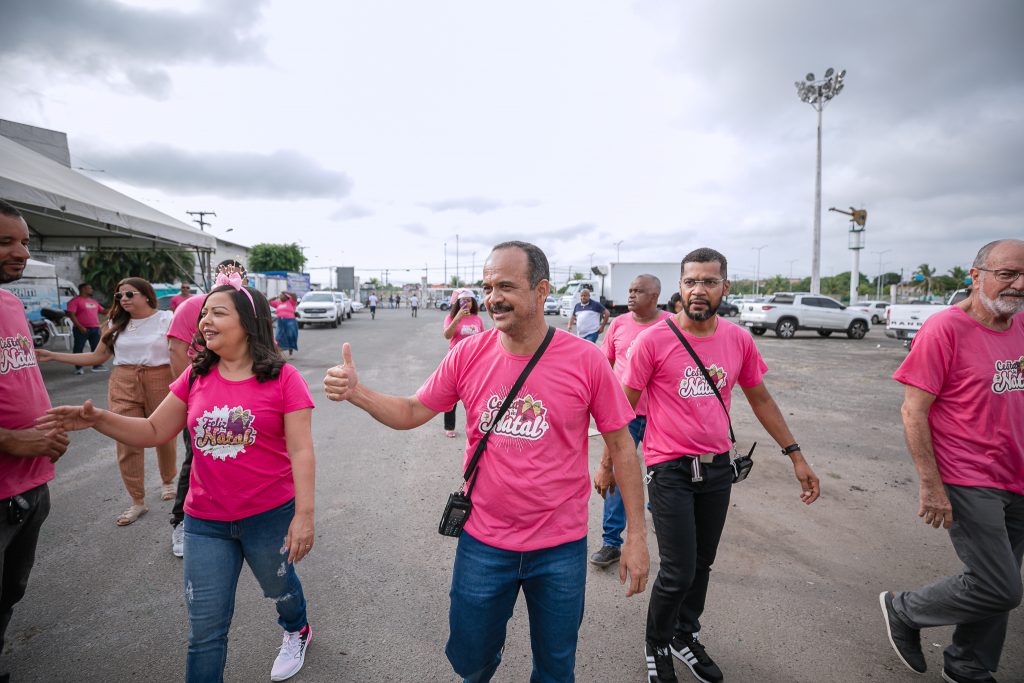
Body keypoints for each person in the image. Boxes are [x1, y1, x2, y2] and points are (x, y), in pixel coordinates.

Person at [324, 241, 650, 682]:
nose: (493, 296)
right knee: (472, 662)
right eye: (488, 285)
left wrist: (635, 536)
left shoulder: (586, 360)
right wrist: (358, 394)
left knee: (556, 668)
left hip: (559, 548)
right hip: (483, 544)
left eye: (506, 286)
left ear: (541, 291)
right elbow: (412, 411)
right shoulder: (467, 353)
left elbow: (623, 447)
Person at [40, 273, 317, 683]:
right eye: (203, 313)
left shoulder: (283, 379)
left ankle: (297, 630)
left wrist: (304, 516)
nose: (204, 320)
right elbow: (153, 430)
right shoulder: (195, 375)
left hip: (269, 517)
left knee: (281, 591)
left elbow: (301, 450)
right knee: (205, 633)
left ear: (249, 322)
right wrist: (98, 419)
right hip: (204, 522)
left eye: (217, 313)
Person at [621, 247, 820, 683]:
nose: (699, 289)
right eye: (691, 281)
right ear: (680, 286)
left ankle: (683, 633)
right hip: (668, 468)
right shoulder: (652, 341)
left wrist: (796, 455)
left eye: (709, 282)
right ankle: (657, 643)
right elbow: (625, 409)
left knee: (703, 564)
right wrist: (606, 465)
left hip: (716, 469)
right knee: (678, 569)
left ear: (724, 288)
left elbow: (760, 398)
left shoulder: (737, 339)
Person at [880, 238, 1024, 683]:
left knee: (991, 580)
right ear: (975, 274)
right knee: (1001, 585)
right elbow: (913, 410)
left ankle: (968, 666)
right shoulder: (945, 329)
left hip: (1015, 475)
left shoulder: (1019, 326)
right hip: (967, 475)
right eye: (1007, 274)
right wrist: (931, 484)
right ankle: (904, 609)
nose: (1017, 286)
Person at [36, 277, 178, 526]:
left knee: (164, 435)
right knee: (127, 440)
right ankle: (137, 501)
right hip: (123, 381)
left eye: (129, 294)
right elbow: (96, 356)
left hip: (160, 378)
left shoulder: (166, 318)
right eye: (118, 296)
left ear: (146, 295)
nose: (123, 299)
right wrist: (53, 355)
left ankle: (168, 480)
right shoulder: (114, 323)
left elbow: (180, 352)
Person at [0, 200, 70, 677]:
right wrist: (8, 439)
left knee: (9, 592)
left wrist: (48, 428)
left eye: (24, 241)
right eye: (6, 241)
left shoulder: (9, 303)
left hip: (30, 483)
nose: (21, 251)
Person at [166, 260, 246, 558]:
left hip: (238, 398)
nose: (229, 278)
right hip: (202, 400)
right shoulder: (191, 307)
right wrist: (191, 395)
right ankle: (181, 521)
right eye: (224, 273)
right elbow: (176, 350)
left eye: (235, 275)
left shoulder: (246, 307)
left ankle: (238, 521)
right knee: (196, 457)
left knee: (235, 456)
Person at [591, 275, 670, 568]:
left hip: (664, 417)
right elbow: (604, 364)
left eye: (639, 291)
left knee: (664, 477)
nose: (632, 295)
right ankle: (611, 542)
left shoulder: (672, 325)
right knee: (617, 474)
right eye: (630, 290)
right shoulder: (619, 324)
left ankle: (666, 537)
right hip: (626, 415)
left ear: (656, 296)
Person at [440, 289, 485, 438]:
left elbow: (482, 339)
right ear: (458, 303)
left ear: (473, 302)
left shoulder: (477, 319)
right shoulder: (451, 317)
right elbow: (447, 335)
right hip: (455, 362)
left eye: (469, 300)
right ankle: (449, 426)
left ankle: (475, 427)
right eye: (463, 300)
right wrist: (457, 318)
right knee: (452, 396)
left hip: (474, 363)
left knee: (474, 397)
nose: (466, 303)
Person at [65, 282, 107, 374]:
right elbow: (71, 315)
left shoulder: (93, 302)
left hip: (95, 329)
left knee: (96, 348)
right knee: (79, 348)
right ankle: (78, 368)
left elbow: (104, 311)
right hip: (81, 329)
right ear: (83, 289)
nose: (91, 290)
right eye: (90, 288)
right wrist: (80, 327)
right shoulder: (75, 301)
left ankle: (97, 366)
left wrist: (117, 308)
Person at [271, 292, 298, 356]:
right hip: (280, 321)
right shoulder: (278, 303)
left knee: (291, 336)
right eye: (280, 296)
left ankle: (290, 348)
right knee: (278, 337)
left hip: (290, 321)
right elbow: (268, 301)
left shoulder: (291, 302)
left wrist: (285, 292)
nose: (280, 297)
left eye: (282, 296)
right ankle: (278, 351)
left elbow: (294, 295)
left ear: (286, 297)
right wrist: (276, 296)